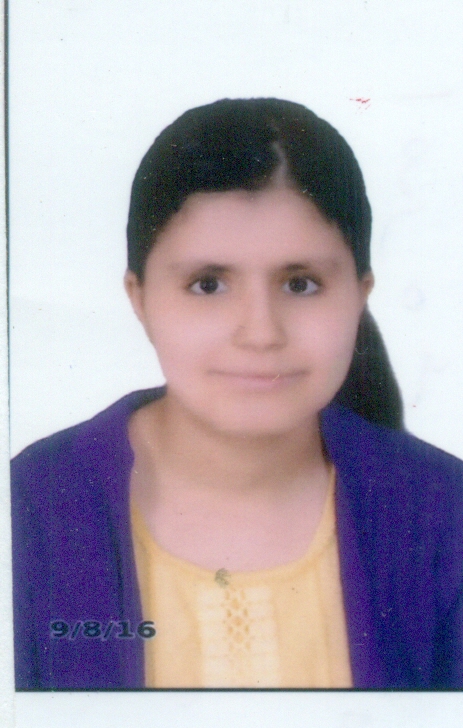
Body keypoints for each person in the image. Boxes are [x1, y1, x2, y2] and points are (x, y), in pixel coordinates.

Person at [11, 98, 463, 690]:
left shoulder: (445, 516)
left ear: (360, 294)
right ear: (139, 298)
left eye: (301, 284)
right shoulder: (27, 512)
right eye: (208, 285)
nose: (260, 333)